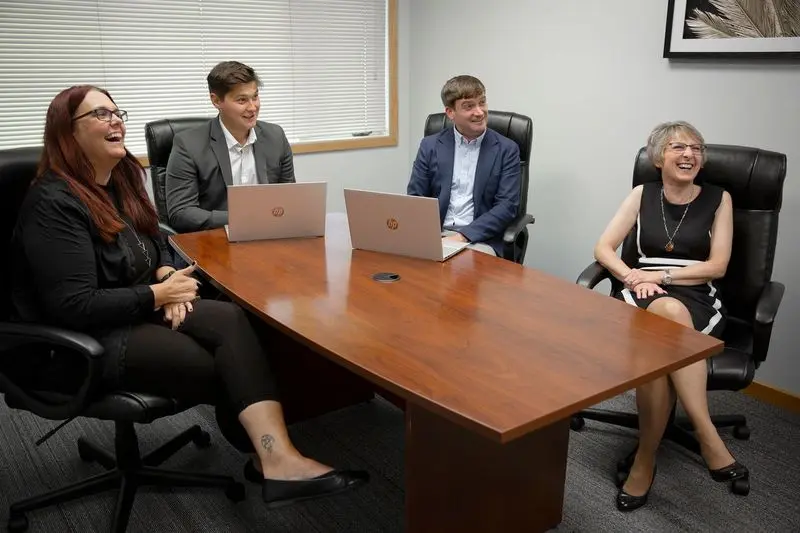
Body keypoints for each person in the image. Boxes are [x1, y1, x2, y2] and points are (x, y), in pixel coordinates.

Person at [12, 85, 367, 507]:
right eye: (99, 115)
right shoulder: (54, 202)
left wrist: (165, 272)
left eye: (116, 111)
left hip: (137, 307)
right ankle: (274, 457)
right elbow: (74, 305)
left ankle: (273, 457)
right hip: (89, 338)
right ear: (68, 134)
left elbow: (154, 238)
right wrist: (158, 294)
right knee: (221, 364)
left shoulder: (119, 179)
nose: (115, 120)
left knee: (236, 322)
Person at [593, 121, 746, 512]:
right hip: (640, 291)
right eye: (679, 147)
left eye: (696, 148)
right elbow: (604, 248)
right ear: (659, 157)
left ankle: (644, 461)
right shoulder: (642, 194)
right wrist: (630, 275)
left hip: (695, 292)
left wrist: (661, 275)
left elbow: (718, 265)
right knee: (664, 317)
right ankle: (708, 435)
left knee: (665, 331)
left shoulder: (718, 198)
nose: (689, 155)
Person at [165, 61, 295, 233]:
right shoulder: (188, 144)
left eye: (255, 97)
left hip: (269, 235)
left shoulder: (275, 136)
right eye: (242, 100)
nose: (252, 107)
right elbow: (180, 213)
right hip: (216, 240)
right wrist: (243, 218)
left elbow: (290, 196)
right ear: (216, 100)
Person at [406, 75, 520, 257]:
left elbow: (506, 207)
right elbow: (416, 197)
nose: (480, 112)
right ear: (450, 113)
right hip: (436, 236)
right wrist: (427, 237)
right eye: (469, 106)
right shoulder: (430, 146)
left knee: (460, 275)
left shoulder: (507, 149)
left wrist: (462, 236)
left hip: (480, 239)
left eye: (482, 102)